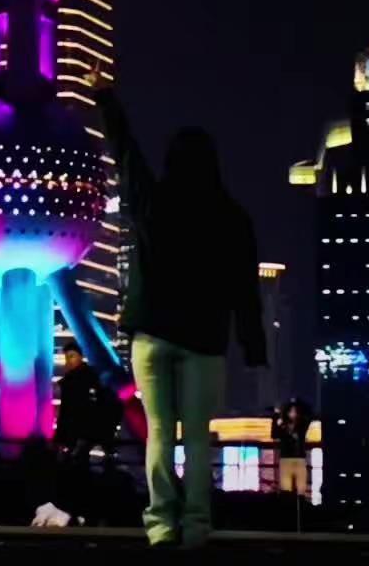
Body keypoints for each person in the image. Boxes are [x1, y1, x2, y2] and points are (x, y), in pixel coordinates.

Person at [88, 67, 267, 550]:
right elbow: (245, 288)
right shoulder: (233, 218)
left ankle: (161, 526)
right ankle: (196, 527)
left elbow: (126, 154)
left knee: (159, 434)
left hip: (151, 335)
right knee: (198, 439)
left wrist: (106, 99)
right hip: (205, 340)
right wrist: (253, 346)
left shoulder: (153, 202)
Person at [55, 338, 121, 460]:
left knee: (77, 460)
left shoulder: (87, 378)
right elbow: (65, 410)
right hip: (82, 430)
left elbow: (68, 410)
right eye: (67, 357)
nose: (69, 360)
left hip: (84, 429)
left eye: (72, 356)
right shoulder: (76, 379)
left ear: (80, 357)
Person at [272, 399, 312, 497]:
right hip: (286, 459)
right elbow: (274, 435)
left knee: (301, 490)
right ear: (287, 413)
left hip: (299, 459)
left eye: (295, 411)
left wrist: (297, 402)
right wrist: (276, 416)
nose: (293, 414)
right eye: (291, 411)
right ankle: (289, 504)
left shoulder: (302, 425)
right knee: (286, 490)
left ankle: (300, 504)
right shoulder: (282, 426)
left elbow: (309, 415)